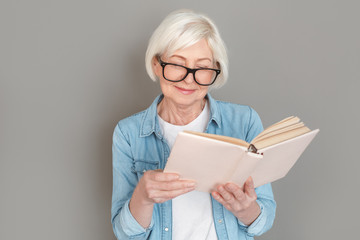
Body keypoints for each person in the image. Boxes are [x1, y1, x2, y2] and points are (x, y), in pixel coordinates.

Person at [111, 9, 276, 240]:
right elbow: (124, 233)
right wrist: (142, 197)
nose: (189, 78)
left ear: (215, 71)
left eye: (202, 67)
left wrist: (245, 210)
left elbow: (264, 220)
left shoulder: (245, 122)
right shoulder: (128, 134)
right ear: (157, 64)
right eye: (178, 64)